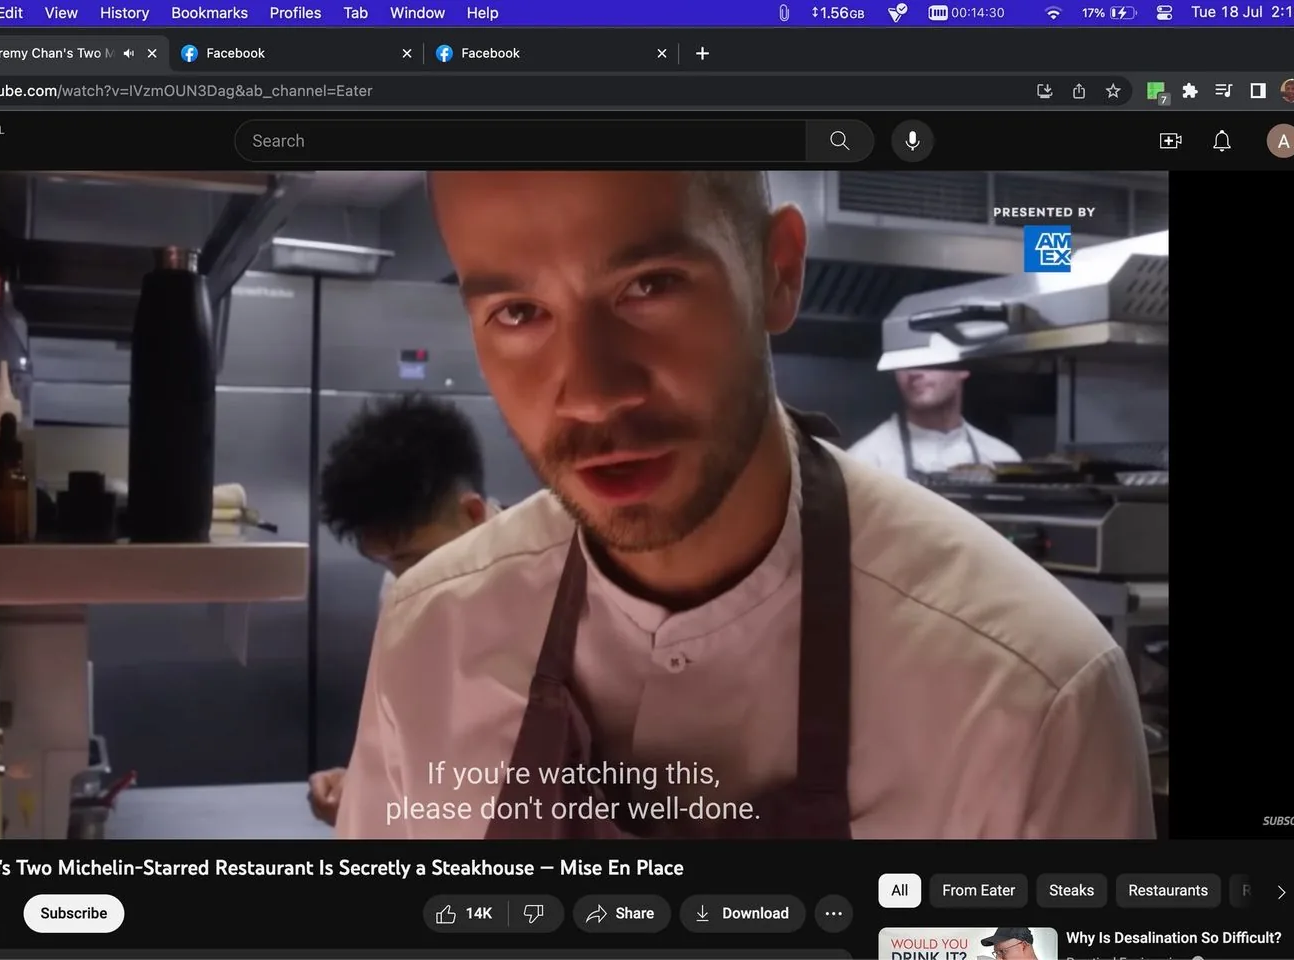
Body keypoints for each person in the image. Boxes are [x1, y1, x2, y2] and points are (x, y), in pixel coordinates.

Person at [335, 171, 1154, 840]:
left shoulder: (1032, 693)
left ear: (778, 271)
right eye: (519, 313)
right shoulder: (429, 634)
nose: (591, 394)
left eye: (648, 286)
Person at [305, 393, 501, 827]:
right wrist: (364, 781)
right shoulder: (398, 589)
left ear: (473, 514)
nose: (405, 581)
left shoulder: (555, 585)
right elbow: (408, 739)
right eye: (386, 563)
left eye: (414, 560)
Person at [847, 368, 1021, 480]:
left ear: (962, 367)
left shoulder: (1003, 458)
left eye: (927, 357)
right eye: (902, 362)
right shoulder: (862, 464)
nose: (913, 372)